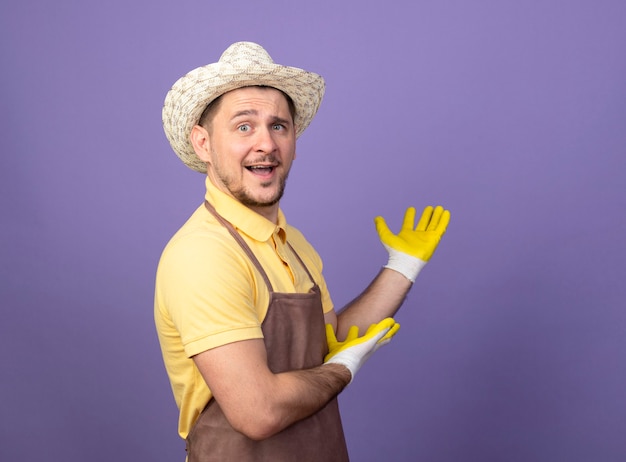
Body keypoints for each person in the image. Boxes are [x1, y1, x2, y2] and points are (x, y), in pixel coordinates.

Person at [155, 41, 450, 461]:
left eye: (279, 126)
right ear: (203, 143)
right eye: (244, 126)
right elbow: (257, 411)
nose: (266, 144)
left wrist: (403, 267)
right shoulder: (203, 255)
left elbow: (330, 342)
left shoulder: (292, 244)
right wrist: (343, 370)